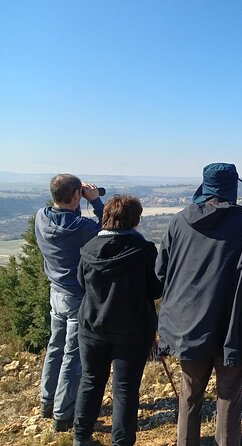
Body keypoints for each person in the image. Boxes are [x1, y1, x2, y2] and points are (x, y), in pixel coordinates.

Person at [156, 162, 242, 446]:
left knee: (189, 397)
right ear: (232, 188)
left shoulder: (179, 222)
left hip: (187, 327)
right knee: (229, 402)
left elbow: (161, 273)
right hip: (231, 329)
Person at [73, 194, 162, 446]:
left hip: (92, 327)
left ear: (106, 218)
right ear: (135, 220)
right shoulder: (144, 251)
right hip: (132, 332)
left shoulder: (89, 248)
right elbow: (156, 290)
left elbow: (82, 283)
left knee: (90, 382)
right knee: (124, 390)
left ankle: (81, 438)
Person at [36, 174, 104, 432]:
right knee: (72, 355)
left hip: (56, 292)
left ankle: (47, 400)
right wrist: (96, 202)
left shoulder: (41, 216)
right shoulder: (81, 227)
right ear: (76, 195)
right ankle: (63, 414)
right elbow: (110, 228)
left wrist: (75, 197)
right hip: (76, 295)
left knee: (55, 346)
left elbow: (62, 209)